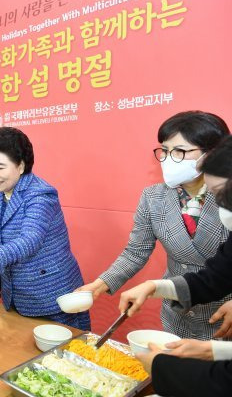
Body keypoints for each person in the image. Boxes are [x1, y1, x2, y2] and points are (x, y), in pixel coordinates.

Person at [79, 111, 230, 339]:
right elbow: (136, 252)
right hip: (177, 309)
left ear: (212, 153)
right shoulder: (154, 197)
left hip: (223, 313)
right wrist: (100, 284)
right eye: (165, 151)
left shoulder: (226, 194)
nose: (169, 159)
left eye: (180, 151)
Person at [118, 136, 232, 396]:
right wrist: (155, 286)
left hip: (216, 321)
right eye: (166, 150)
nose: (221, 205)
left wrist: (160, 367)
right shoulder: (154, 196)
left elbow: (222, 382)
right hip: (181, 317)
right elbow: (213, 277)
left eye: (224, 196)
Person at [0, 127, 90, 330]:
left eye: (0, 167)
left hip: (50, 293)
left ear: (20, 166)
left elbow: (30, 239)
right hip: (17, 292)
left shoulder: (40, 194)